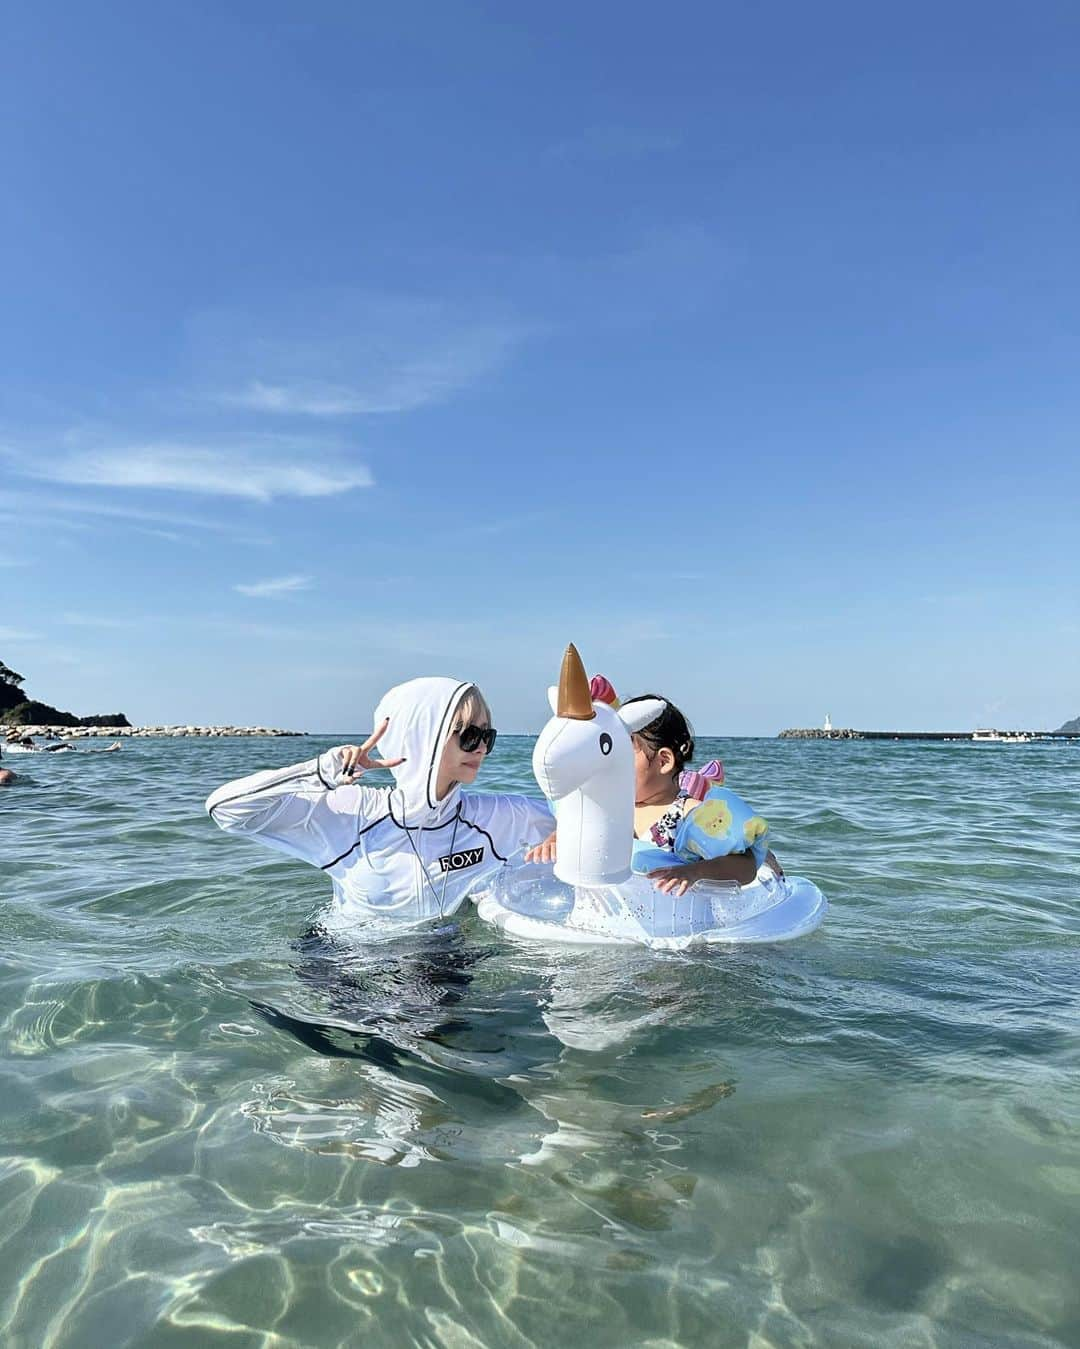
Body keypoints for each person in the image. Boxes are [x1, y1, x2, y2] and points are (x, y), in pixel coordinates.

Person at [206, 677, 554, 927]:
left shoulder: (499, 817)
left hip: (436, 961)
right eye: (469, 735)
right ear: (421, 737)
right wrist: (321, 771)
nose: (480, 748)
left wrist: (562, 834)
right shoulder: (351, 813)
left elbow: (592, 821)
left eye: (487, 736)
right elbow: (224, 809)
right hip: (345, 963)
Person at [526, 680, 782, 896]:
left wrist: (694, 873)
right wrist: (557, 839)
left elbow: (746, 866)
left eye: (623, 753)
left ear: (663, 761)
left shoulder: (689, 815)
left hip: (671, 927)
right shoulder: (603, 800)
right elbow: (578, 825)